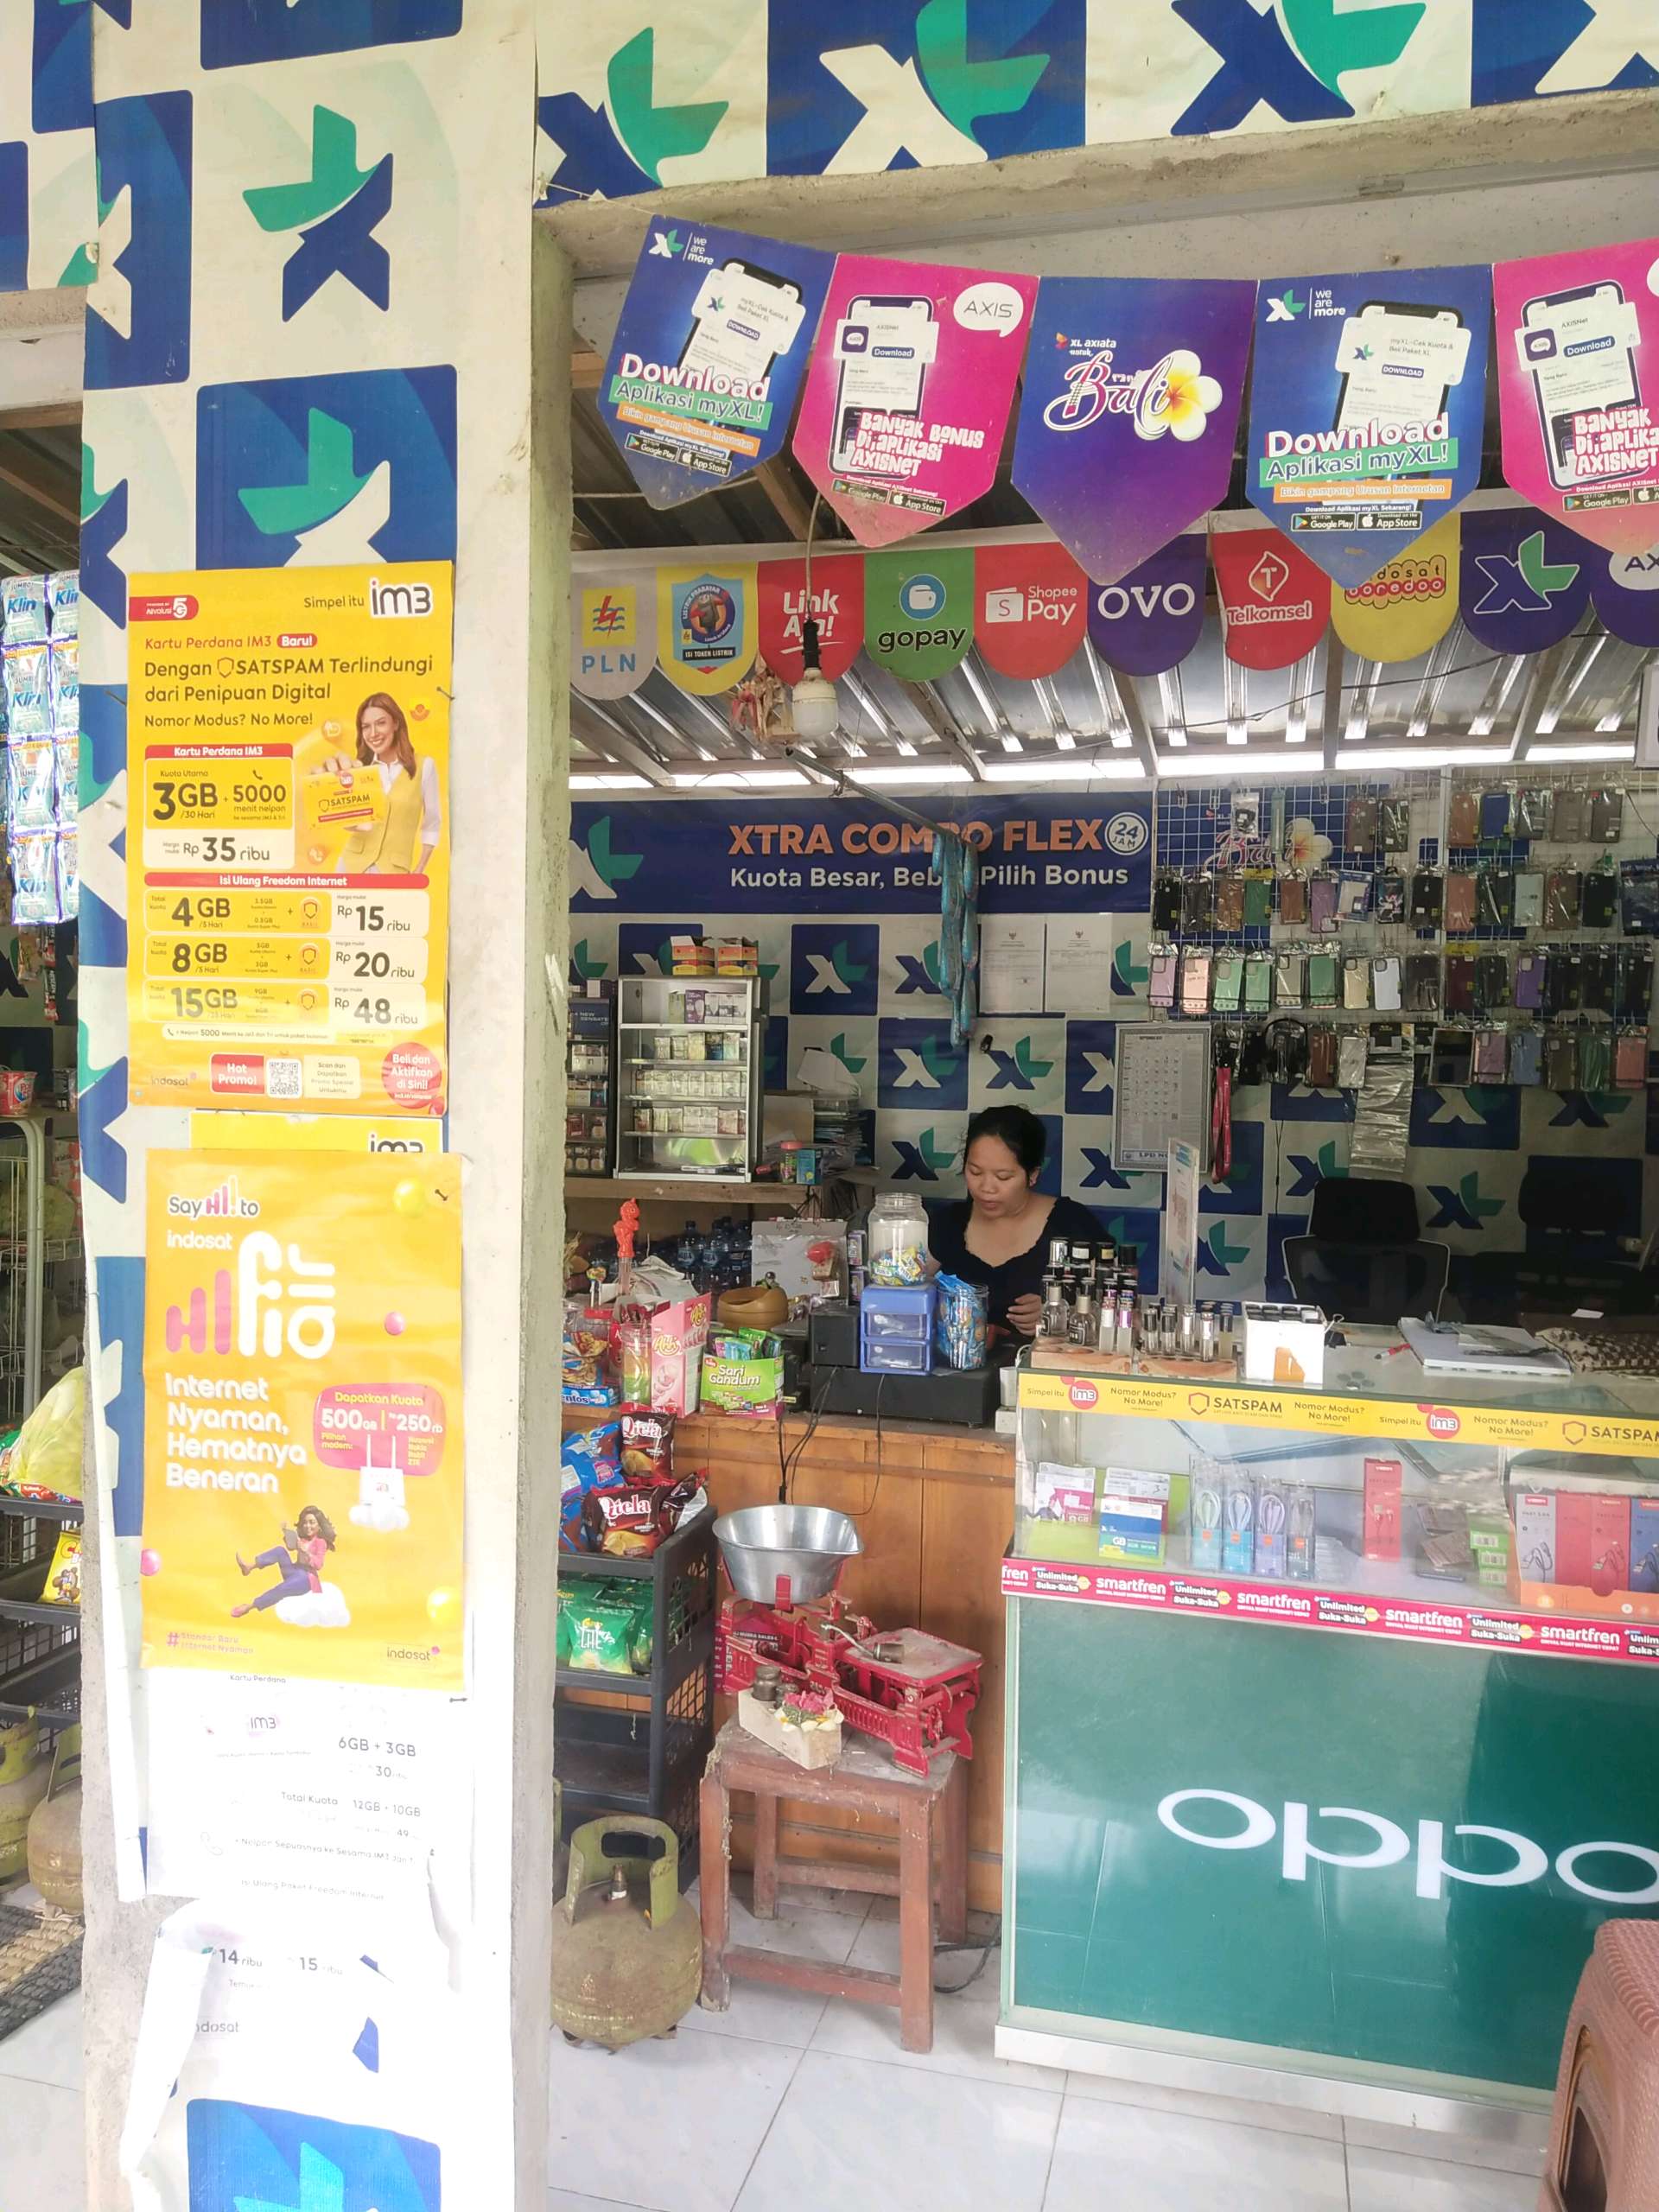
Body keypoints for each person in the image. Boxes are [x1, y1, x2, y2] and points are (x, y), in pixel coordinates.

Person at [927, 1104, 1103, 1343]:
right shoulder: (948, 1223)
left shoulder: (1071, 1223)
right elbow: (906, 1294)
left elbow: (1120, 1306)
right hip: (960, 1365)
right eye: (975, 1172)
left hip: (1046, 1365)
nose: (986, 1188)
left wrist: (1060, 1312)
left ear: (1033, 1175)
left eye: (1003, 1177)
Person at [331, 693, 441, 875]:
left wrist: (420, 868)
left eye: (381, 723)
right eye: (366, 727)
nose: (373, 733)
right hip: (350, 866)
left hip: (394, 870)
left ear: (396, 723)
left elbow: (432, 822)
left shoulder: (424, 766)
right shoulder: (360, 768)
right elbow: (348, 821)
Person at [232, 1506, 337, 1618]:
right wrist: (287, 1533)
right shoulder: (303, 1539)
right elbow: (290, 1547)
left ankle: (249, 1607)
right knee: (280, 1551)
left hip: (306, 1579)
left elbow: (319, 1565)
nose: (308, 1526)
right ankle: (249, 1567)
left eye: (312, 1523)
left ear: (319, 1525)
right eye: (305, 1523)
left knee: (281, 1589)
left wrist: (307, 1553)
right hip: (294, 1571)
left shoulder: (320, 1542)